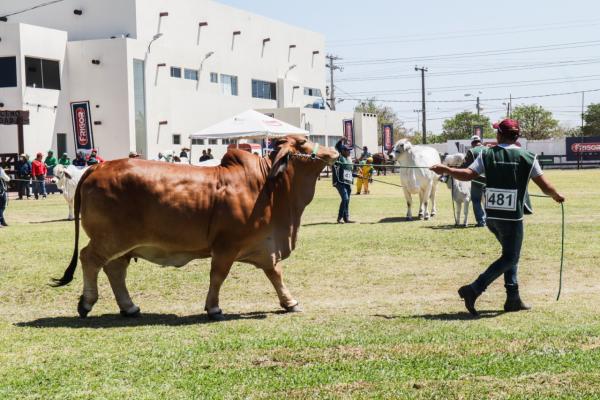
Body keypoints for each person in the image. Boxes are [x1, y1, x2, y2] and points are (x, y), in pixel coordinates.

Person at [431, 119, 565, 316]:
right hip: (512, 218)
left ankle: (513, 298)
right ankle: (475, 288)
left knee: (510, 254)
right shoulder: (528, 157)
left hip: (491, 216)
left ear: (499, 135)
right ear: (517, 136)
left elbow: (468, 174)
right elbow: (545, 187)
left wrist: (448, 170)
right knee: (511, 256)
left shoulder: (486, 154)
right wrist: (556, 196)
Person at [462, 136, 487, 227]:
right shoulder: (488, 149)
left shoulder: (472, 151)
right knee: (489, 201)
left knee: (476, 200)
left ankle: (481, 221)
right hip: (490, 180)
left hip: (477, 180)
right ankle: (489, 220)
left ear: (472, 143)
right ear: (480, 141)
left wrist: (455, 168)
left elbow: (465, 166)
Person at [333, 145, 355, 224]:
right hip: (339, 182)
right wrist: (340, 141)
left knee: (347, 200)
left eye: (349, 150)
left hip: (347, 182)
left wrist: (357, 175)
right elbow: (336, 147)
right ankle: (339, 218)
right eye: (348, 150)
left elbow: (349, 172)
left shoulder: (348, 159)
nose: (349, 152)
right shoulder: (338, 158)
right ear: (342, 151)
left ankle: (346, 218)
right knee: (345, 198)